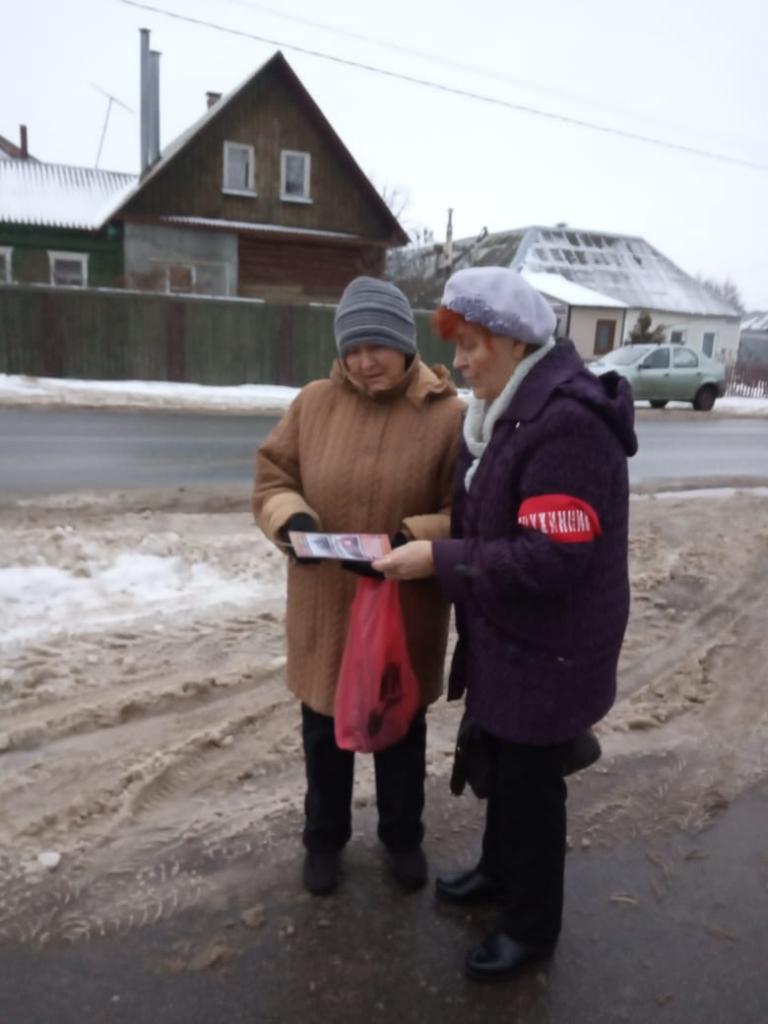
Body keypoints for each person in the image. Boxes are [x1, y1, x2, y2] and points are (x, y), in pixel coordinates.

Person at [373, 267, 637, 980]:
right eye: (455, 345)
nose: (457, 363)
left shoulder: (569, 425)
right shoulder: (498, 415)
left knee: (531, 785)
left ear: (515, 343)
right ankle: (497, 872)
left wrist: (443, 559)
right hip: (504, 631)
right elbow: (486, 517)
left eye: (470, 345)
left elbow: (552, 557)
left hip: (553, 644)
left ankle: (532, 927)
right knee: (498, 756)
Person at [253, 276, 464, 897]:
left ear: (405, 343)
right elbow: (272, 478)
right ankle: (324, 840)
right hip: (326, 607)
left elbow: (468, 512)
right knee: (324, 737)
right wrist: (290, 520)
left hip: (405, 605)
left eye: (378, 345)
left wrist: (410, 540)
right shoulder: (313, 404)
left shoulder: (448, 417)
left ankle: (403, 838)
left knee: (399, 733)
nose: (365, 360)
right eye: (353, 347)